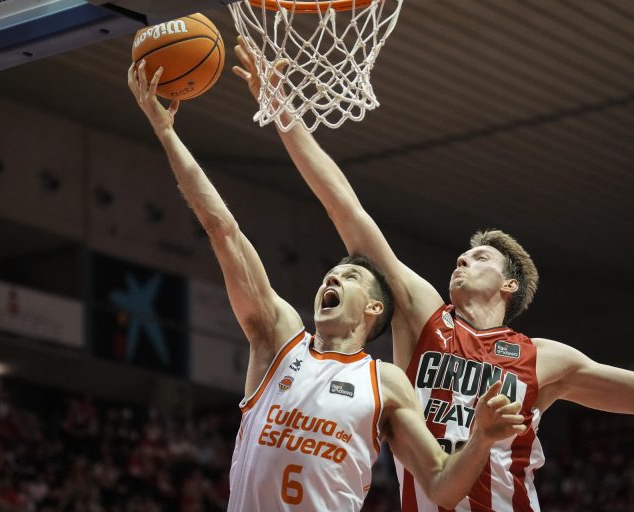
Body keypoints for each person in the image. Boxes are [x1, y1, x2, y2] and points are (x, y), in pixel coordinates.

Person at [231, 38, 634, 512]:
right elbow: (345, 209)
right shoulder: (424, 316)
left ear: (509, 285)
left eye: (481, 257)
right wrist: (282, 111)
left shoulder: (543, 359)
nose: (463, 260)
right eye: (462, 256)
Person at [128, 60, 526, 512]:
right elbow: (223, 230)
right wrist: (166, 133)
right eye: (330, 275)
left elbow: (440, 485)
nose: (333, 277)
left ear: (374, 308)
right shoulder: (278, 340)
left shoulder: (386, 383)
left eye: (350, 276)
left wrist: (480, 440)